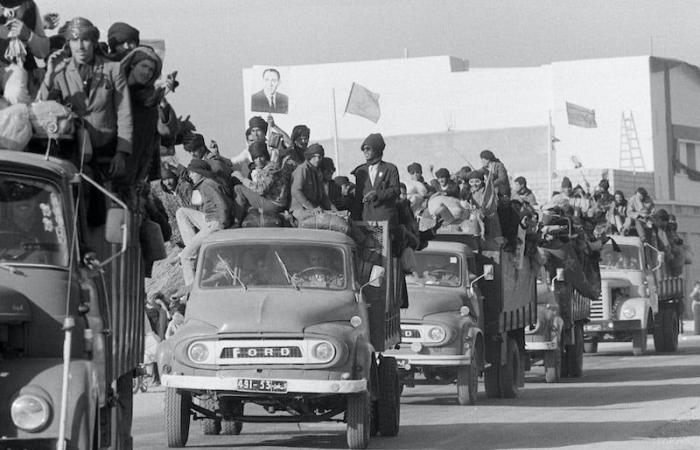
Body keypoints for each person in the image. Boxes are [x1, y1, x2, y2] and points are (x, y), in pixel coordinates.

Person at [38, 17, 132, 185]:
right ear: (68, 43)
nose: (80, 46)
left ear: (94, 42)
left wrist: (121, 153)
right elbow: (40, 110)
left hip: (106, 151)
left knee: (106, 204)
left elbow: (124, 113)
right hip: (72, 150)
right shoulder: (61, 70)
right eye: (74, 40)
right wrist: (49, 76)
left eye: (86, 40)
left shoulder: (113, 69)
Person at [121, 46, 178, 188]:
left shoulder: (152, 97)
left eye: (151, 69)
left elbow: (167, 133)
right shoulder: (116, 91)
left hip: (138, 172)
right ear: (133, 65)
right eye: (144, 66)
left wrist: (163, 105)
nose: (147, 72)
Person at [175, 159, 233, 286]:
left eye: (192, 173)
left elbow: (222, 204)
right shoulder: (206, 183)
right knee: (182, 212)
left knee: (185, 256)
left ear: (199, 172)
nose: (190, 176)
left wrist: (221, 225)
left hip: (215, 223)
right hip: (209, 220)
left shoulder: (207, 184)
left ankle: (191, 287)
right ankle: (196, 252)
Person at [0, 0, 50, 96]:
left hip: (18, 69)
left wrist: (29, 35)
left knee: (15, 93)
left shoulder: (29, 6)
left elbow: (43, 51)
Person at [233, 141, 291, 224]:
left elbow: (261, 189)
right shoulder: (265, 168)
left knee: (238, 188)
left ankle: (236, 222)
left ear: (266, 156)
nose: (259, 160)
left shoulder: (271, 169)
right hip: (274, 201)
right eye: (256, 158)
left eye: (261, 156)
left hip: (274, 204)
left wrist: (242, 178)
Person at [351, 133, 401, 226]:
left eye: (368, 149)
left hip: (385, 218)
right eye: (363, 149)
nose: (365, 151)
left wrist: (377, 194)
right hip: (366, 219)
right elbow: (358, 198)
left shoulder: (390, 169)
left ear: (377, 149)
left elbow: (395, 190)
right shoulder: (361, 171)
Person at [290, 144, 333, 219]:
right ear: (309, 156)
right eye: (314, 156)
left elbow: (323, 197)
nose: (317, 159)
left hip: (314, 210)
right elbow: (296, 191)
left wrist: (335, 211)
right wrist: (311, 208)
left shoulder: (316, 172)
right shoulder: (303, 169)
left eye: (319, 157)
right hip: (300, 210)